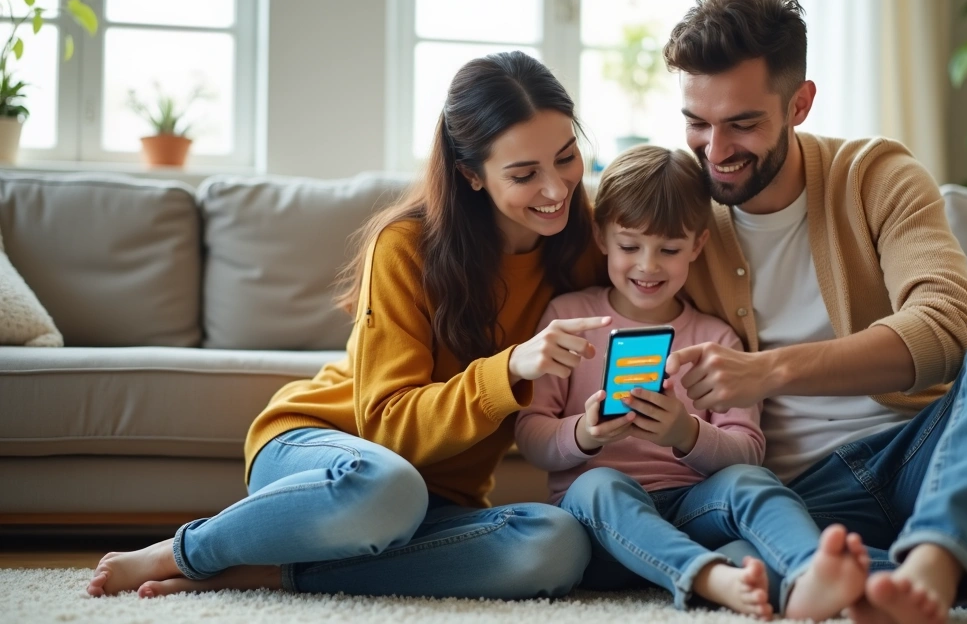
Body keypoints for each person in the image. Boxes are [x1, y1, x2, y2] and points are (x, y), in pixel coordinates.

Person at [661, 0, 967, 623]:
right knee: (750, 565)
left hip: (921, 454)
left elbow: (948, 325)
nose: (715, 151)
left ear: (800, 103)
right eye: (697, 122)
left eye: (742, 123)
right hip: (794, 498)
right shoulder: (674, 208)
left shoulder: (874, 173)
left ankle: (933, 569)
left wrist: (771, 369)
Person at [86, 51, 609, 601]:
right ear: (471, 174)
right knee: (388, 489)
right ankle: (182, 553)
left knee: (558, 543)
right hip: (332, 462)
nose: (556, 189)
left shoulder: (585, 247)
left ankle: (274, 574)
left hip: (438, 504)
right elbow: (386, 425)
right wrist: (510, 369)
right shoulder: (407, 246)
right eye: (524, 174)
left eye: (567, 158)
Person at [516, 145, 874, 621]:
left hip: (691, 510)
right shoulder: (568, 318)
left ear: (697, 247)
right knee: (597, 484)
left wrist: (684, 434)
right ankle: (705, 575)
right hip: (601, 531)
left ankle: (812, 574)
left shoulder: (715, 339)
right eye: (629, 246)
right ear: (602, 237)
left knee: (751, 488)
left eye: (669, 249)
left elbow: (748, 451)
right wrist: (583, 432)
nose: (648, 266)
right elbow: (531, 436)